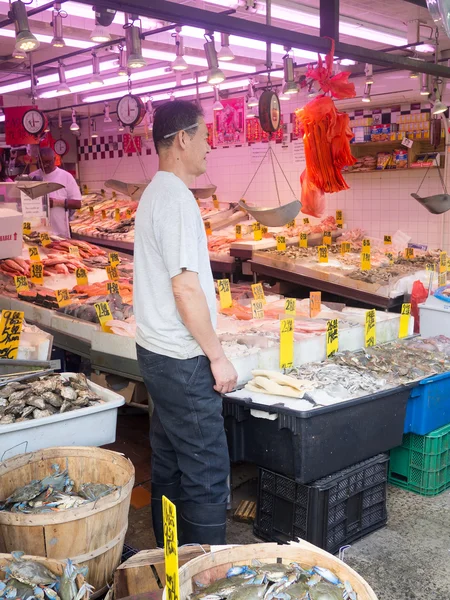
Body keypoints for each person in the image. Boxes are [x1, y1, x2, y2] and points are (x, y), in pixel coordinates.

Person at [134, 100, 238, 547]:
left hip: (156, 353)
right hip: (182, 359)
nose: (210, 146)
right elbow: (185, 290)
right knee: (207, 470)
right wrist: (218, 357)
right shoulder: (175, 199)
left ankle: (169, 561)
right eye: (205, 135)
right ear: (182, 139)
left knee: (172, 460)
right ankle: (202, 575)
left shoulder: (155, 191)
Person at [32, 147, 82, 237]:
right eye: (42, 162)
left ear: (55, 159)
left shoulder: (66, 176)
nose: (45, 165)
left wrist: (56, 202)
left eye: (48, 162)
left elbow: (77, 203)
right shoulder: (32, 177)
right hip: (37, 232)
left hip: (60, 232)